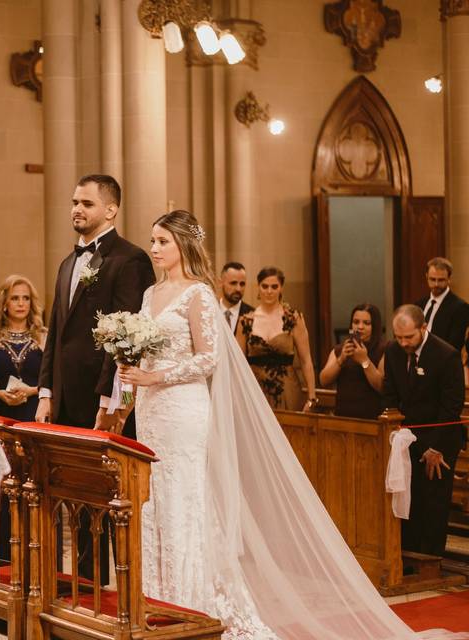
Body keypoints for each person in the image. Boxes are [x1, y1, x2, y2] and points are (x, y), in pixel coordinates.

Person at [116, 210, 457, 639]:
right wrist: (131, 382)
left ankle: (194, 604)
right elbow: (145, 351)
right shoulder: (150, 295)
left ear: (183, 244)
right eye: (152, 240)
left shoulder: (198, 295)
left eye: (162, 240)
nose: (154, 248)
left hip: (183, 409)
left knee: (186, 498)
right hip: (151, 410)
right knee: (157, 500)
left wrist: (157, 377)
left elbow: (209, 358)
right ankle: (158, 597)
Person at [35, 174, 154, 433]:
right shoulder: (67, 263)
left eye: (87, 204)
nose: (77, 209)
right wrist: (46, 392)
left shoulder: (130, 259)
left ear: (111, 210)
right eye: (74, 202)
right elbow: (56, 332)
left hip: (100, 399)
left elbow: (128, 343)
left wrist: (112, 403)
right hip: (63, 398)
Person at [383, 305, 465, 557]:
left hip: (439, 440)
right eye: (399, 337)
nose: (404, 343)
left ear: (423, 327)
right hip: (406, 439)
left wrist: (435, 448)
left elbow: (451, 407)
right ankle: (407, 558)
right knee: (408, 501)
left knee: (432, 504)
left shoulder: (446, 355)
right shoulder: (393, 351)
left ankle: (430, 560)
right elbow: (390, 394)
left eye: (409, 337)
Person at [237, 266, 317, 411]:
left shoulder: (293, 318)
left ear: (281, 288)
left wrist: (311, 397)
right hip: (255, 391)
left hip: (288, 390)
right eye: (265, 286)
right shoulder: (245, 321)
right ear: (258, 287)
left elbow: (306, 361)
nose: (269, 291)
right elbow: (238, 364)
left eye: (274, 287)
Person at [0, 274, 47, 422]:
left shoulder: (44, 336)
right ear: (5, 304)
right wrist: (0, 394)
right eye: (15, 298)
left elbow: (55, 380)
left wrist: (31, 391)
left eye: (26, 298)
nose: (21, 303)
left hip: (36, 415)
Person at [319, 303, 387, 419]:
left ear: (375, 326)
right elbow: (323, 380)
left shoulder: (384, 349)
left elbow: (381, 386)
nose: (360, 327)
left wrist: (364, 360)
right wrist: (341, 359)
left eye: (366, 323)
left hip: (372, 418)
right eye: (356, 322)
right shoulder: (341, 349)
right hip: (344, 416)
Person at [414, 257, 469, 352]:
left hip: (442, 360)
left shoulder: (460, 307)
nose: (436, 284)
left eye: (441, 280)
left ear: (449, 279)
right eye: (432, 279)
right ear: (426, 276)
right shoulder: (419, 304)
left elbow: (454, 344)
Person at [218, 261, 253, 334]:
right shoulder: (210, 312)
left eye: (242, 284)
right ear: (220, 283)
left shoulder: (252, 314)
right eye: (233, 283)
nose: (238, 289)